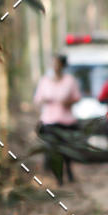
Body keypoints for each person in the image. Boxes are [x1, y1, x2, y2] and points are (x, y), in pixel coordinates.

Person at [34, 54, 81, 185]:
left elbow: (77, 97)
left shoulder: (70, 80)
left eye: (57, 63)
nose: (55, 66)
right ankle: (59, 178)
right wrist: (45, 101)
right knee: (54, 150)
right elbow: (37, 99)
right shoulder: (44, 81)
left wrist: (69, 102)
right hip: (49, 121)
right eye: (53, 63)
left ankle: (69, 171)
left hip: (66, 121)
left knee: (66, 150)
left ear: (62, 65)